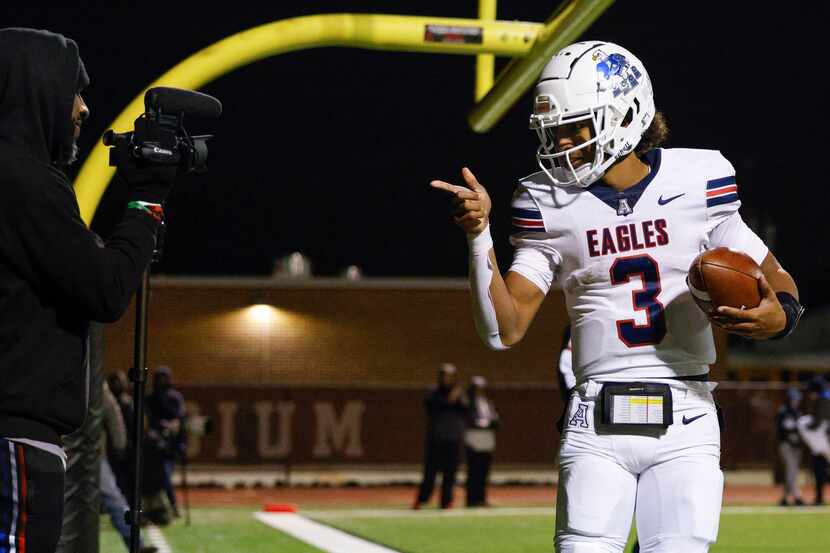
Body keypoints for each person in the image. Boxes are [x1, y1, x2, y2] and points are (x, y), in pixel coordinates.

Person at [431, 40, 803, 552]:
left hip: (687, 413)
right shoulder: (548, 202)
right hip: (595, 418)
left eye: (574, 127)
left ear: (625, 115)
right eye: (553, 131)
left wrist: (780, 314)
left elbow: (777, 278)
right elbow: (504, 328)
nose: (560, 143)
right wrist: (479, 236)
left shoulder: (697, 181)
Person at [0, 28, 177, 553]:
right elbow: (105, 290)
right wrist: (147, 202)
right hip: (15, 436)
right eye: (74, 91)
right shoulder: (22, 179)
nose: (82, 108)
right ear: (40, 89)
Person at [101, 382, 158, 553]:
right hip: (91, 453)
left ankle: (137, 543)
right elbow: (113, 413)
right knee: (114, 498)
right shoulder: (93, 377)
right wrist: (120, 445)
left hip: (60, 447)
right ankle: (137, 543)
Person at [413, 363, 469, 510]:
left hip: (453, 439)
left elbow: (466, 409)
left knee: (450, 473)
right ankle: (422, 500)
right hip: (436, 439)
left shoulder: (460, 395)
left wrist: (458, 397)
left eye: (450, 376)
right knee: (430, 472)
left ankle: (446, 502)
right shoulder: (433, 393)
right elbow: (437, 405)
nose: (447, 379)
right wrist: (453, 397)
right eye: (444, 375)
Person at [146, 366, 187, 518]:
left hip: (172, 444)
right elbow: (147, 420)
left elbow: (181, 420)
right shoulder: (150, 398)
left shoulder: (175, 398)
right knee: (158, 476)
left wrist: (181, 442)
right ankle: (160, 506)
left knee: (165, 474)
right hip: (154, 445)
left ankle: (172, 505)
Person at [464, 376, 499, 507]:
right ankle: (471, 500)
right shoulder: (467, 402)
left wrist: (486, 423)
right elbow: (470, 420)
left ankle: (482, 498)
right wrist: (484, 423)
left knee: (484, 472)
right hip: (473, 441)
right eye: (477, 388)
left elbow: (495, 420)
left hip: (487, 441)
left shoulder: (487, 402)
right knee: (473, 472)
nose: (479, 391)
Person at [776, 387, 805, 506]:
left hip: (796, 446)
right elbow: (783, 429)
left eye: (797, 399)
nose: (796, 401)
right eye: (793, 399)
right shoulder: (783, 412)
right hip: (785, 445)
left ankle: (784, 498)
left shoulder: (798, 412)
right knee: (791, 469)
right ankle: (797, 496)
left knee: (792, 471)